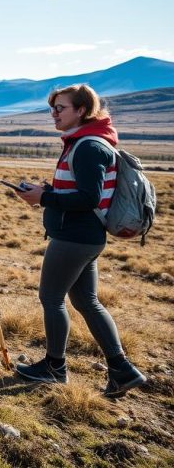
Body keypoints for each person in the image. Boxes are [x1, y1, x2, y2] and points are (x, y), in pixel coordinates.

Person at [11, 84, 147, 397]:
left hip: (75, 237)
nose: (54, 115)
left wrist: (44, 198)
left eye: (61, 108)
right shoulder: (88, 142)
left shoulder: (88, 146)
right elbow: (82, 192)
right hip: (84, 237)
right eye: (52, 108)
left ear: (82, 111)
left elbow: (89, 198)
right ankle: (122, 370)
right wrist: (45, 191)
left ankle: (54, 367)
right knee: (86, 301)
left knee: (51, 298)